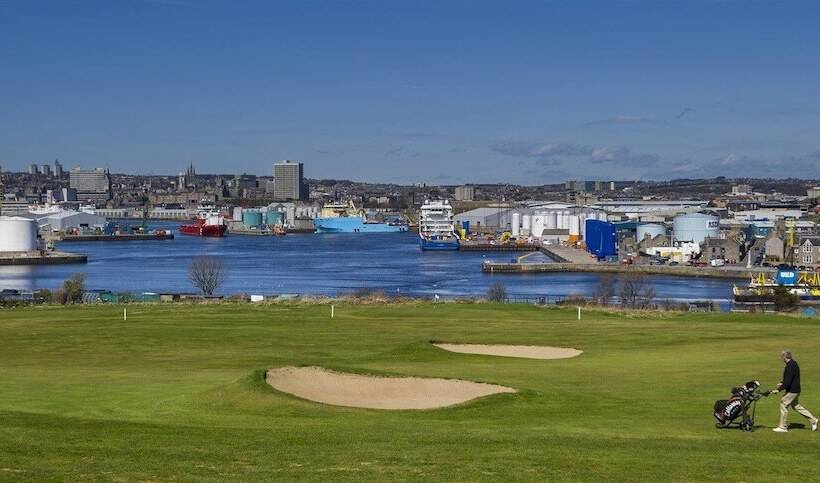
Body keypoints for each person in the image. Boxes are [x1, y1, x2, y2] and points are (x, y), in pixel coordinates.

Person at [773, 350, 819, 432]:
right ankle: (813, 420)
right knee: (796, 406)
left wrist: (778, 390)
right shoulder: (793, 363)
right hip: (796, 389)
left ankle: (782, 427)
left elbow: (788, 382)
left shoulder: (790, 366)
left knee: (783, 403)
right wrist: (782, 382)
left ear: (785, 357)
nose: (782, 358)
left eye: (782, 357)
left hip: (792, 391)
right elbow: (789, 379)